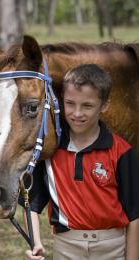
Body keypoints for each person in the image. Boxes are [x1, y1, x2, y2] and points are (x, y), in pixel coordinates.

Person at [22, 64, 139, 260]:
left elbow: (135, 216)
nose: (77, 113)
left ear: (104, 105)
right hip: (66, 246)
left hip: (113, 248)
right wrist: (36, 244)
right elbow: (31, 205)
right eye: (70, 103)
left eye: (87, 105)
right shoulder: (50, 150)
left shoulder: (122, 152)